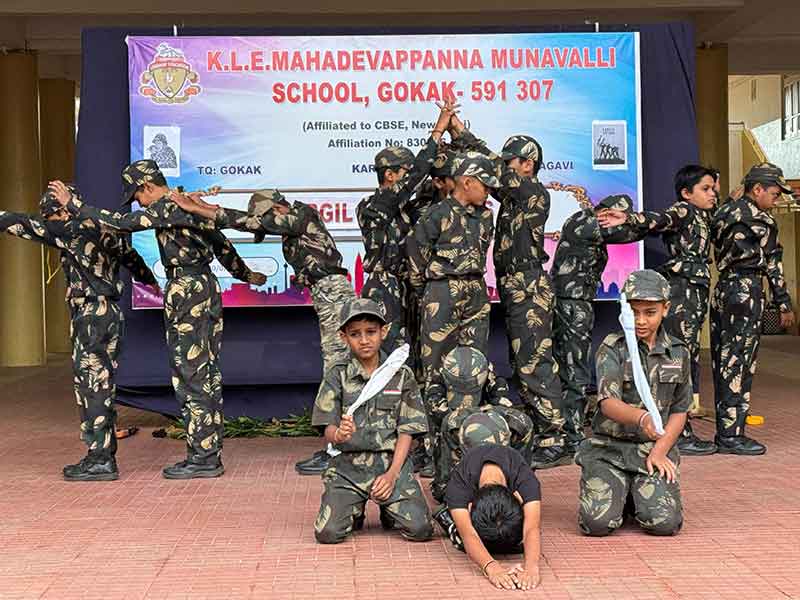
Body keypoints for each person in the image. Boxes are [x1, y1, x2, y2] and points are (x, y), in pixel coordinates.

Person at [52, 162, 265, 479]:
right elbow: (221, 244)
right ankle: (206, 452)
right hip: (206, 287)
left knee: (190, 373)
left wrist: (74, 205)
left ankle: (204, 458)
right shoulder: (187, 204)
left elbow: (121, 223)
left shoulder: (167, 205)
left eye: (137, 195)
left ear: (147, 186)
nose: (137, 202)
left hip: (186, 291)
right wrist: (246, 275)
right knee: (204, 371)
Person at [170, 187, 356, 475]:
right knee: (336, 368)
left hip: (334, 295)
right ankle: (338, 447)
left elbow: (246, 222)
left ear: (277, 209)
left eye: (266, 219)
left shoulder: (299, 215)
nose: (266, 227)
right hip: (326, 294)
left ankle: (340, 451)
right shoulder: (292, 226)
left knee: (338, 369)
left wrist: (198, 209)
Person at [1, 184, 158, 480]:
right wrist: (149, 281)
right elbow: (132, 259)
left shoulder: (70, 229)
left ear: (61, 209)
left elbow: (19, 223)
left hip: (90, 315)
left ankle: (100, 459)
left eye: (51, 216)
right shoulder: (104, 227)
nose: (50, 222)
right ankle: (103, 452)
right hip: (111, 314)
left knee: (91, 385)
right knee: (104, 383)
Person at [597, 165, 720, 456]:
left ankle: (680, 426)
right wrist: (629, 218)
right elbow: (659, 219)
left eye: (713, 188)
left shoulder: (703, 215)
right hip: (682, 291)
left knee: (685, 354)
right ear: (686, 193)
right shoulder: (684, 211)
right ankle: (680, 430)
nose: (713, 193)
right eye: (705, 189)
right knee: (678, 355)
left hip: (694, 289)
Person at [576, 270, 689, 537]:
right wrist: (642, 418)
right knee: (597, 525)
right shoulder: (612, 347)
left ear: (665, 309)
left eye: (649, 312)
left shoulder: (678, 352)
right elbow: (608, 403)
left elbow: (680, 410)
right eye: (633, 312)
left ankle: (632, 495)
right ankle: (620, 492)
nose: (640, 320)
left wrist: (660, 451)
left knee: (663, 524)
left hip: (651, 450)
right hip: (609, 451)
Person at [311, 298, 433, 544]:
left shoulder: (400, 374)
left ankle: (390, 508)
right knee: (328, 534)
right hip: (347, 468)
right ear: (344, 336)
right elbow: (327, 427)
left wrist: (391, 476)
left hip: (391, 464)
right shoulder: (337, 374)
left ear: (384, 331)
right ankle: (353, 509)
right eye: (355, 334)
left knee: (420, 529)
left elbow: (407, 431)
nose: (364, 340)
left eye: (371, 332)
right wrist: (339, 435)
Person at [709, 162, 795, 455]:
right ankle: (732, 435)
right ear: (756, 189)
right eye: (774, 193)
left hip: (722, 291)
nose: (777, 199)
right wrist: (784, 302)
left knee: (724, 360)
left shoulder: (722, 212)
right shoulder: (762, 220)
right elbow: (773, 264)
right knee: (741, 363)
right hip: (747, 293)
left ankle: (726, 429)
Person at [357, 102, 452, 356]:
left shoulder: (401, 209)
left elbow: (428, 195)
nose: (412, 178)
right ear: (389, 175)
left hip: (406, 287)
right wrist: (437, 130)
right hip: (383, 286)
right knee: (388, 353)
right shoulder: (374, 205)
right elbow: (417, 177)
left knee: (413, 352)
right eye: (405, 172)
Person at [406, 153, 497, 400]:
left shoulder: (486, 216)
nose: (489, 190)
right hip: (442, 290)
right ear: (467, 182)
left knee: (475, 360)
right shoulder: (436, 214)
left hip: (476, 291)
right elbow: (417, 254)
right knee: (436, 361)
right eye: (485, 184)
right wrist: (428, 292)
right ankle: (435, 433)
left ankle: (470, 427)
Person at [550, 194, 636, 454]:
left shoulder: (586, 221)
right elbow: (625, 233)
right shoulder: (586, 222)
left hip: (575, 302)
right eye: (614, 216)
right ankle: (572, 436)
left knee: (572, 367)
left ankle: (568, 429)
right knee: (574, 370)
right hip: (572, 303)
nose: (615, 222)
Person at [426, 345, 533, 502]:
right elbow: (445, 419)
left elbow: (504, 410)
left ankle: (517, 481)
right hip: (455, 441)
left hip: (488, 434)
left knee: (520, 424)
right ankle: (446, 483)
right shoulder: (437, 384)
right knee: (450, 425)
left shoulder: (493, 379)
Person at [437, 435, 542, 591]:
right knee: (463, 538)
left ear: (517, 497)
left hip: (509, 465)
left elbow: (532, 528)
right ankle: (448, 518)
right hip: (464, 470)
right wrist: (491, 567)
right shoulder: (459, 487)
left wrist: (532, 567)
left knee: (515, 538)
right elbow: (468, 534)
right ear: (470, 506)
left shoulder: (527, 482)